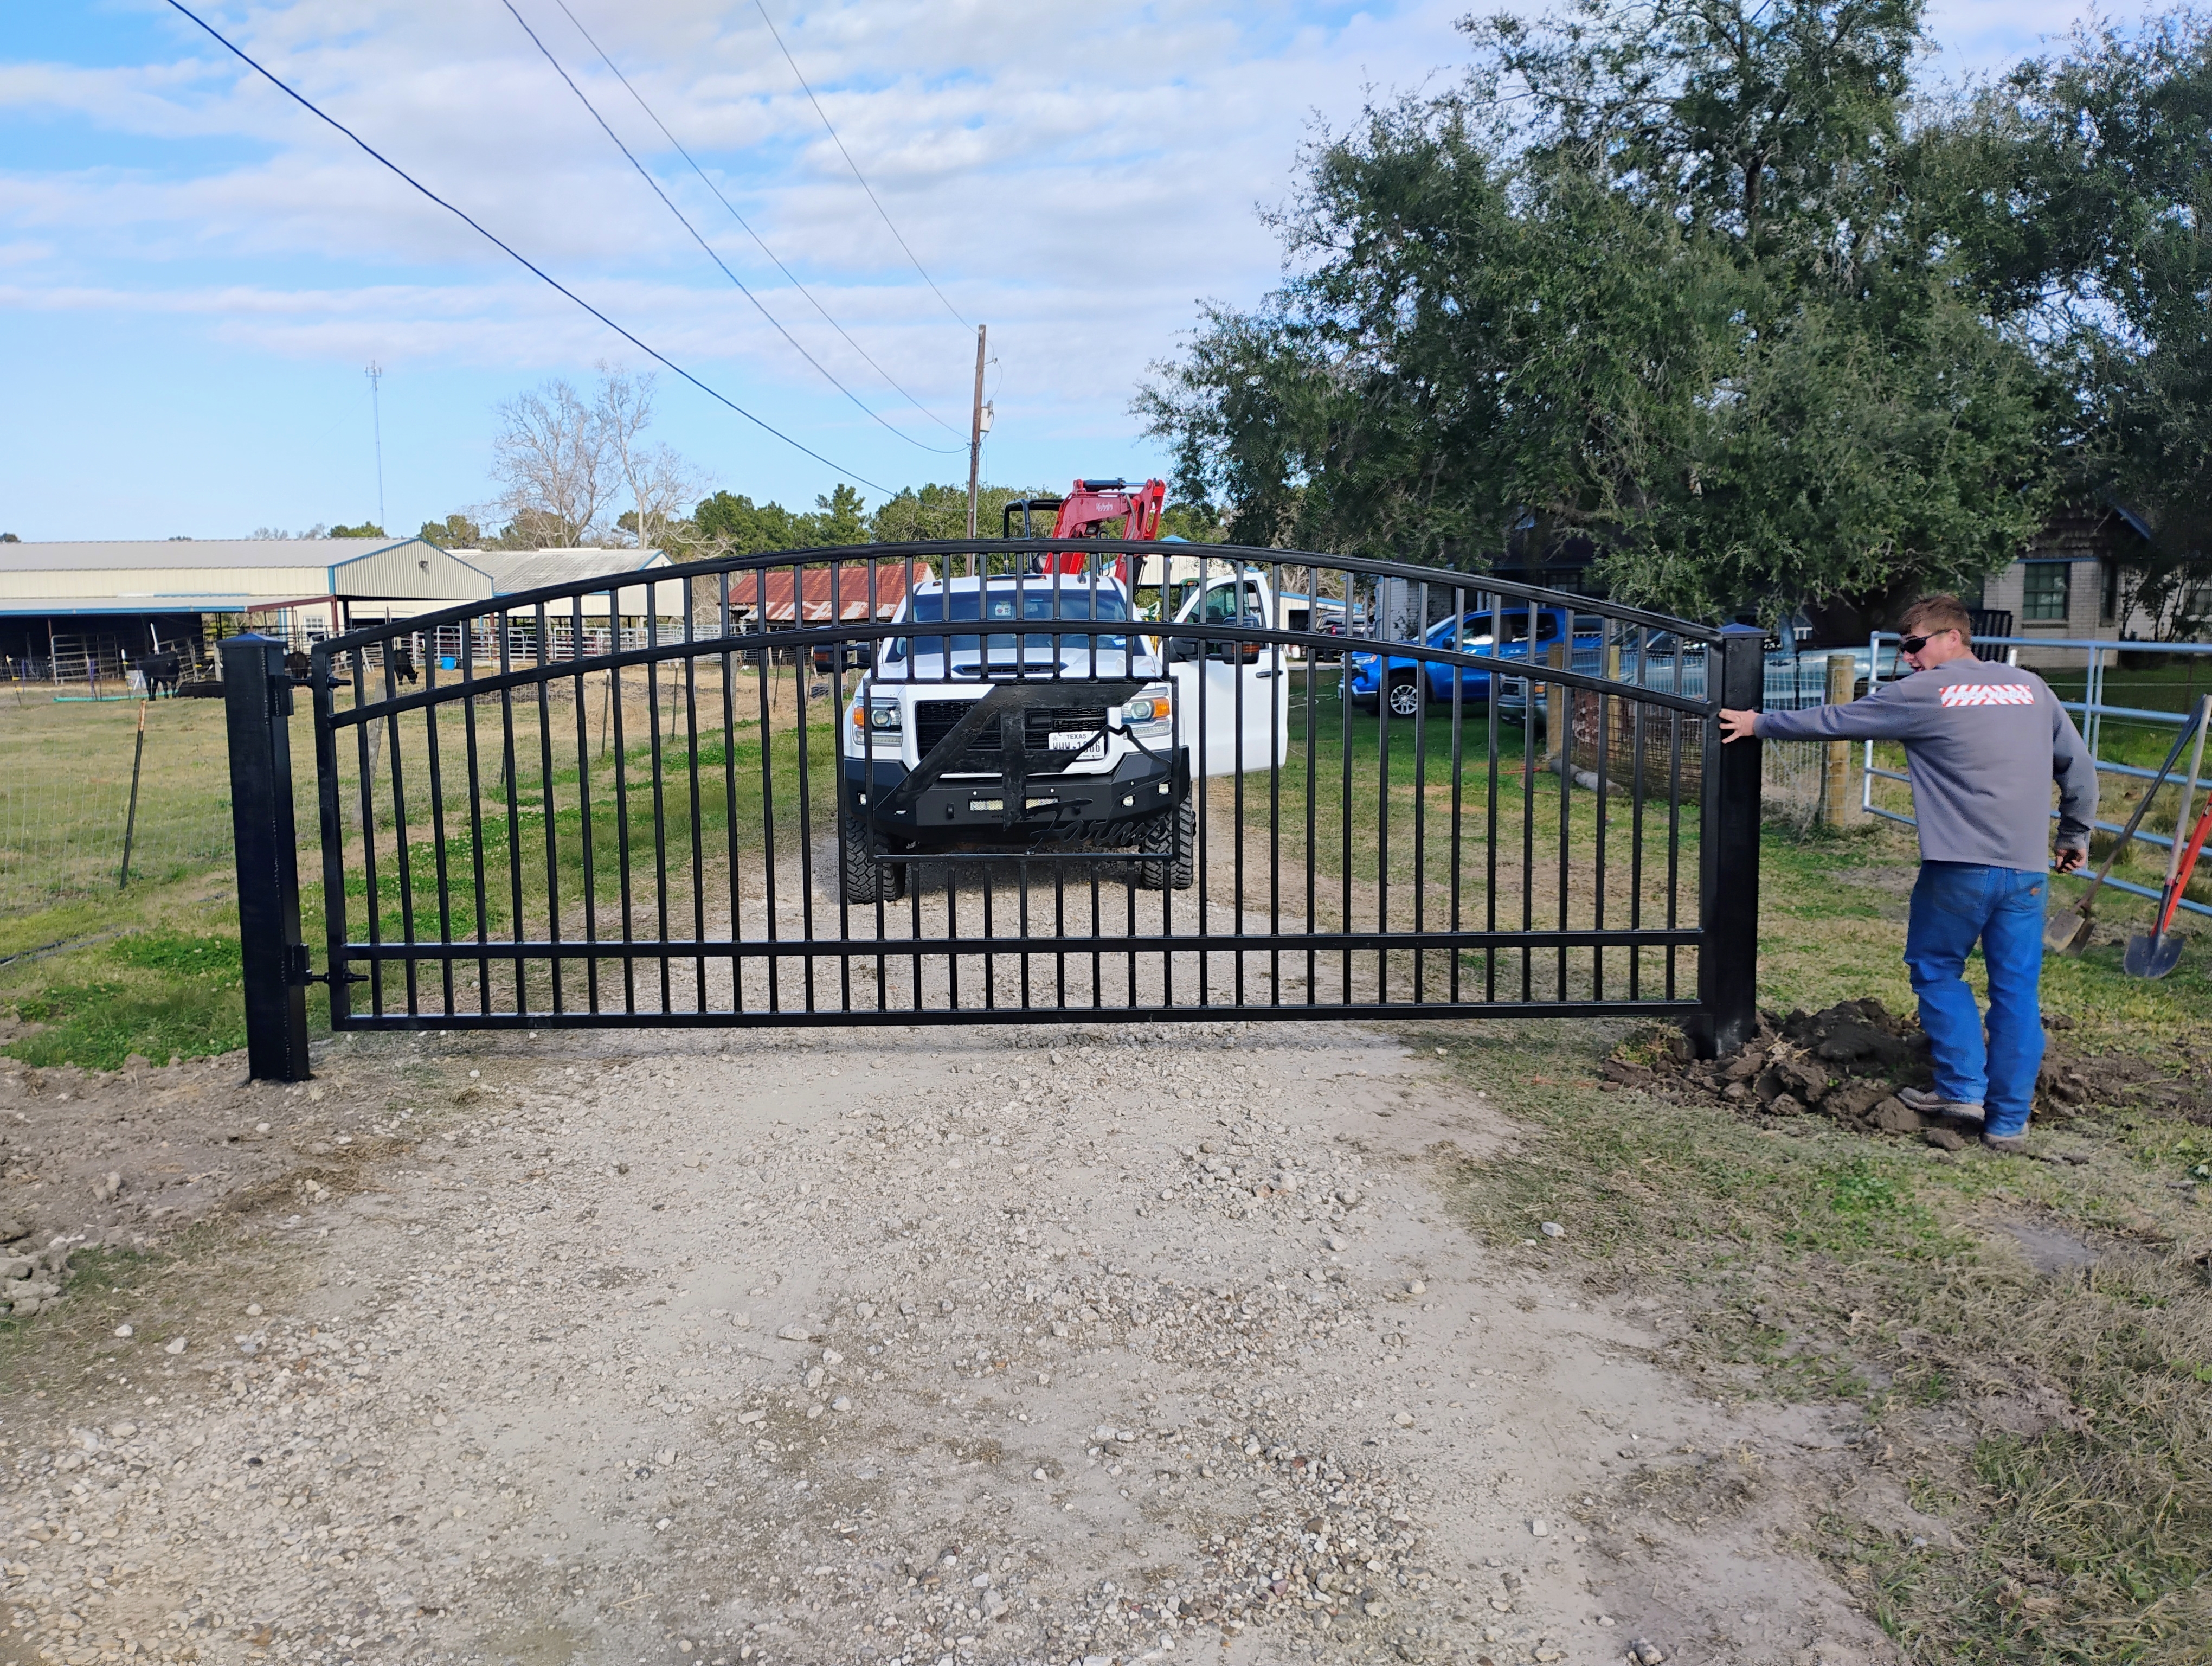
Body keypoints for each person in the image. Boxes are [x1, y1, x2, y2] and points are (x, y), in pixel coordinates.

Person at [1717, 595, 2097, 1152]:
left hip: (1959, 870)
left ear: (1953, 637)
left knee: (1937, 968)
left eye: (1915, 644)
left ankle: (1963, 1089)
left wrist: (1760, 723)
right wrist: (2075, 834)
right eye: (1904, 648)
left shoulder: (1928, 691)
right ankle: (2008, 1123)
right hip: (2025, 872)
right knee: (2016, 992)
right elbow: (2078, 766)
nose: (1909, 657)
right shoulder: (2031, 688)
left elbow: (1838, 720)